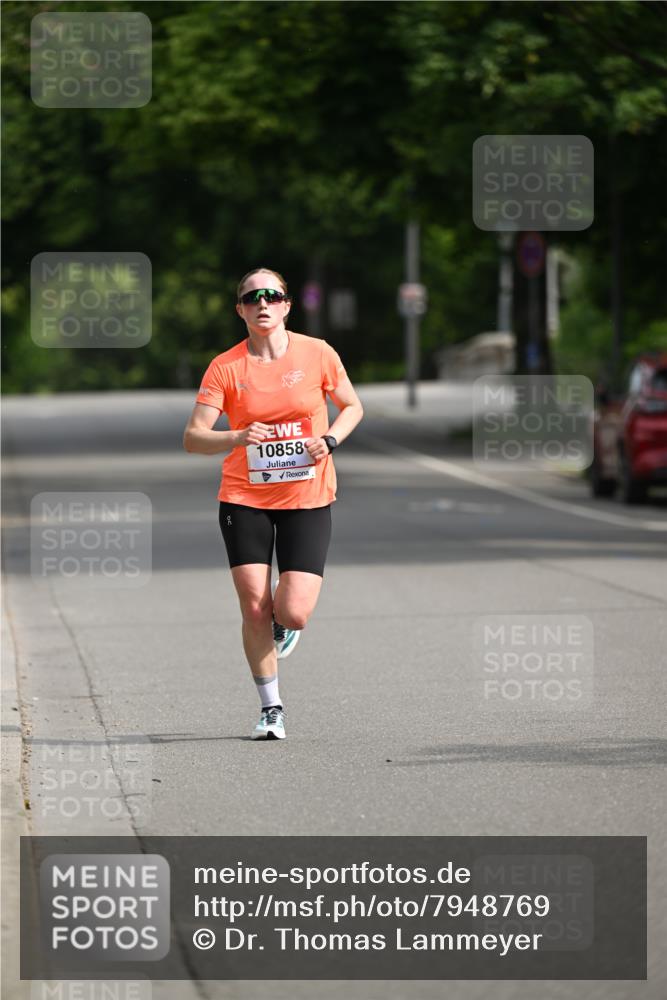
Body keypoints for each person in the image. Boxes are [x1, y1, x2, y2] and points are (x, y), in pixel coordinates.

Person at [183, 268, 364, 740]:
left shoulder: (317, 353)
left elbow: (353, 407)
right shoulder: (225, 366)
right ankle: (271, 708)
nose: (263, 303)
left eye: (272, 296)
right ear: (240, 309)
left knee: (294, 610)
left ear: (286, 305)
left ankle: (286, 623)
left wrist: (330, 439)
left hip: (307, 494)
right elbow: (193, 438)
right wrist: (237, 436)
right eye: (252, 297)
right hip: (244, 496)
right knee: (254, 606)